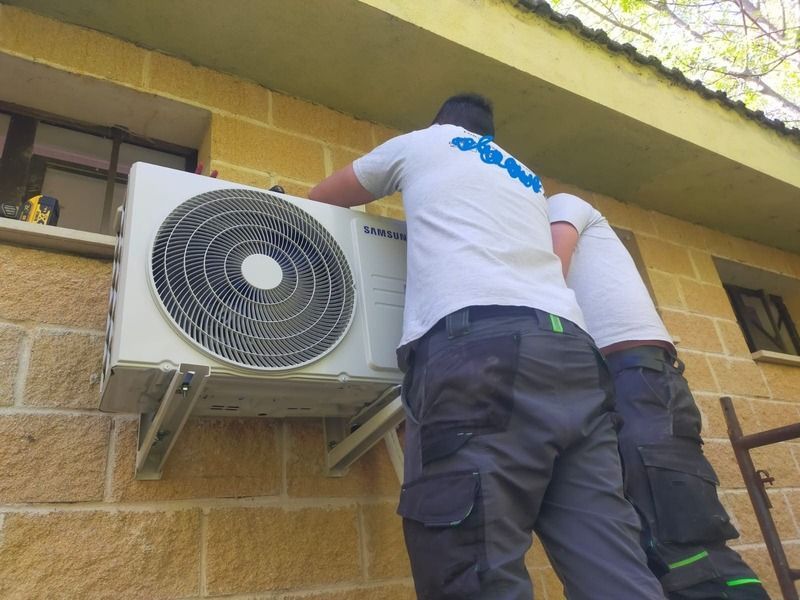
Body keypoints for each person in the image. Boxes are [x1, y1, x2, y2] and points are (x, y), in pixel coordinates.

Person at [309, 94, 665, 600]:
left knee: (470, 564)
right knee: (610, 559)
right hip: (574, 355)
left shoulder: (423, 143)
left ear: (439, 123)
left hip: (482, 352)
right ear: (491, 139)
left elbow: (323, 198)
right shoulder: (526, 178)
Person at [548, 192, 769, 600]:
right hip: (602, 379)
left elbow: (547, 275)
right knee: (640, 544)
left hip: (636, 372)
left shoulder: (559, 205)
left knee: (684, 543)